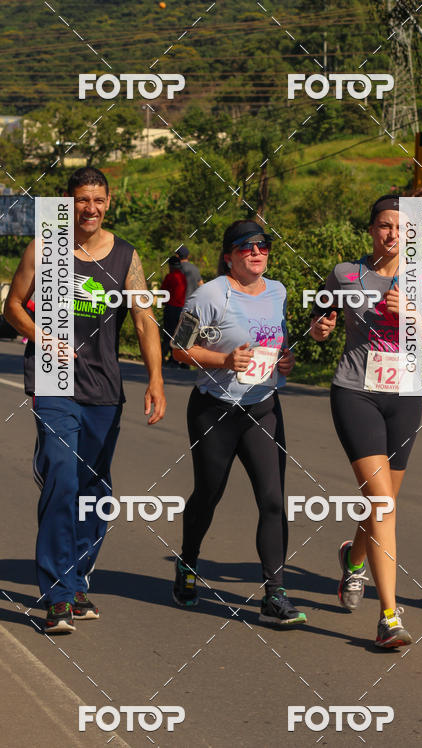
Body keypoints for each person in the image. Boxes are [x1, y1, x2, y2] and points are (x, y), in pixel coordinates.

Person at [5, 166, 166, 634]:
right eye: (80, 200)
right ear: (67, 201)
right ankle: (56, 595)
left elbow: (143, 321)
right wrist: (42, 335)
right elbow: (13, 306)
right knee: (61, 476)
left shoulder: (127, 257)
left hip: (104, 388)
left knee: (95, 492)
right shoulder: (45, 247)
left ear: (109, 201)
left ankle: (76, 581)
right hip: (53, 381)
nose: (89, 209)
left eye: (98, 200)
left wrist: (155, 378)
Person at [310, 194, 422, 648]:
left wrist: (411, 316)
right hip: (355, 392)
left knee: (379, 503)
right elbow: (320, 316)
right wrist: (320, 328)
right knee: (384, 503)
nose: (392, 234)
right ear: (371, 230)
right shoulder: (346, 274)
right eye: (384, 226)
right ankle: (389, 616)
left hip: (405, 397)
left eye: (401, 228)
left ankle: (353, 559)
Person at [171, 220, 306, 626]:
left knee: (272, 498)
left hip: (262, 406)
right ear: (229, 255)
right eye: (246, 247)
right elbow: (179, 351)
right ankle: (188, 563)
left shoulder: (278, 291)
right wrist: (225, 361)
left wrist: (286, 361)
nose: (257, 252)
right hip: (215, 410)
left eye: (263, 245)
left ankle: (275, 593)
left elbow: (279, 342)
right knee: (209, 495)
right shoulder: (210, 295)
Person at [161, 256, 187, 364]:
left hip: (171, 308)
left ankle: (161, 356)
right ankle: (175, 359)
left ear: (171, 266)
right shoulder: (183, 277)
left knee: (168, 333)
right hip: (181, 309)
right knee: (176, 334)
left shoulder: (170, 277)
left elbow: (163, 291)